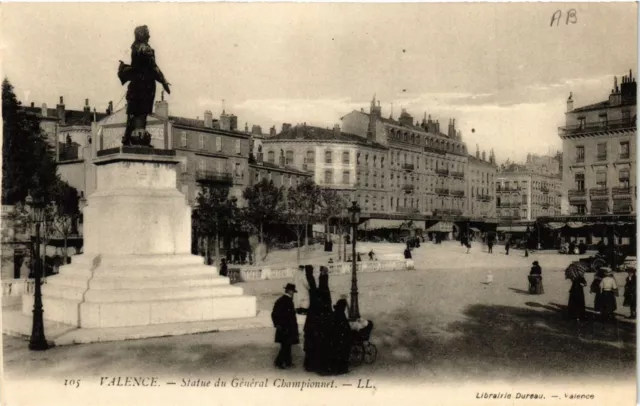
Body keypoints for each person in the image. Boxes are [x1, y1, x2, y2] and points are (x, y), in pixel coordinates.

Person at [118, 25, 171, 146]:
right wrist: (163, 81)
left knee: (133, 112)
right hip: (145, 85)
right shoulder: (146, 48)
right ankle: (139, 138)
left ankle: (129, 138)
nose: (149, 35)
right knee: (142, 114)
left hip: (135, 84)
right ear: (142, 34)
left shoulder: (134, 47)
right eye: (147, 33)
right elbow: (153, 68)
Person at [271, 283, 300, 369]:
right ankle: (279, 362)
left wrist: (277, 324)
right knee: (286, 346)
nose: (293, 294)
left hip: (284, 327)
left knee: (287, 346)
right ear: (289, 291)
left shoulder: (282, 300)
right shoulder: (286, 300)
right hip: (286, 327)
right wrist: (278, 324)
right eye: (292, 292)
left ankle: (287, 362)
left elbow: (274, 314)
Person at [327, 299, 353, 375]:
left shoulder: (336, 313)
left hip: (335, 338)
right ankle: (342, 369)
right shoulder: (341, 314)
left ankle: (336, 368)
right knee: (343, 352)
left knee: (336, 353)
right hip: (340, 338)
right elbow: (344, 327)